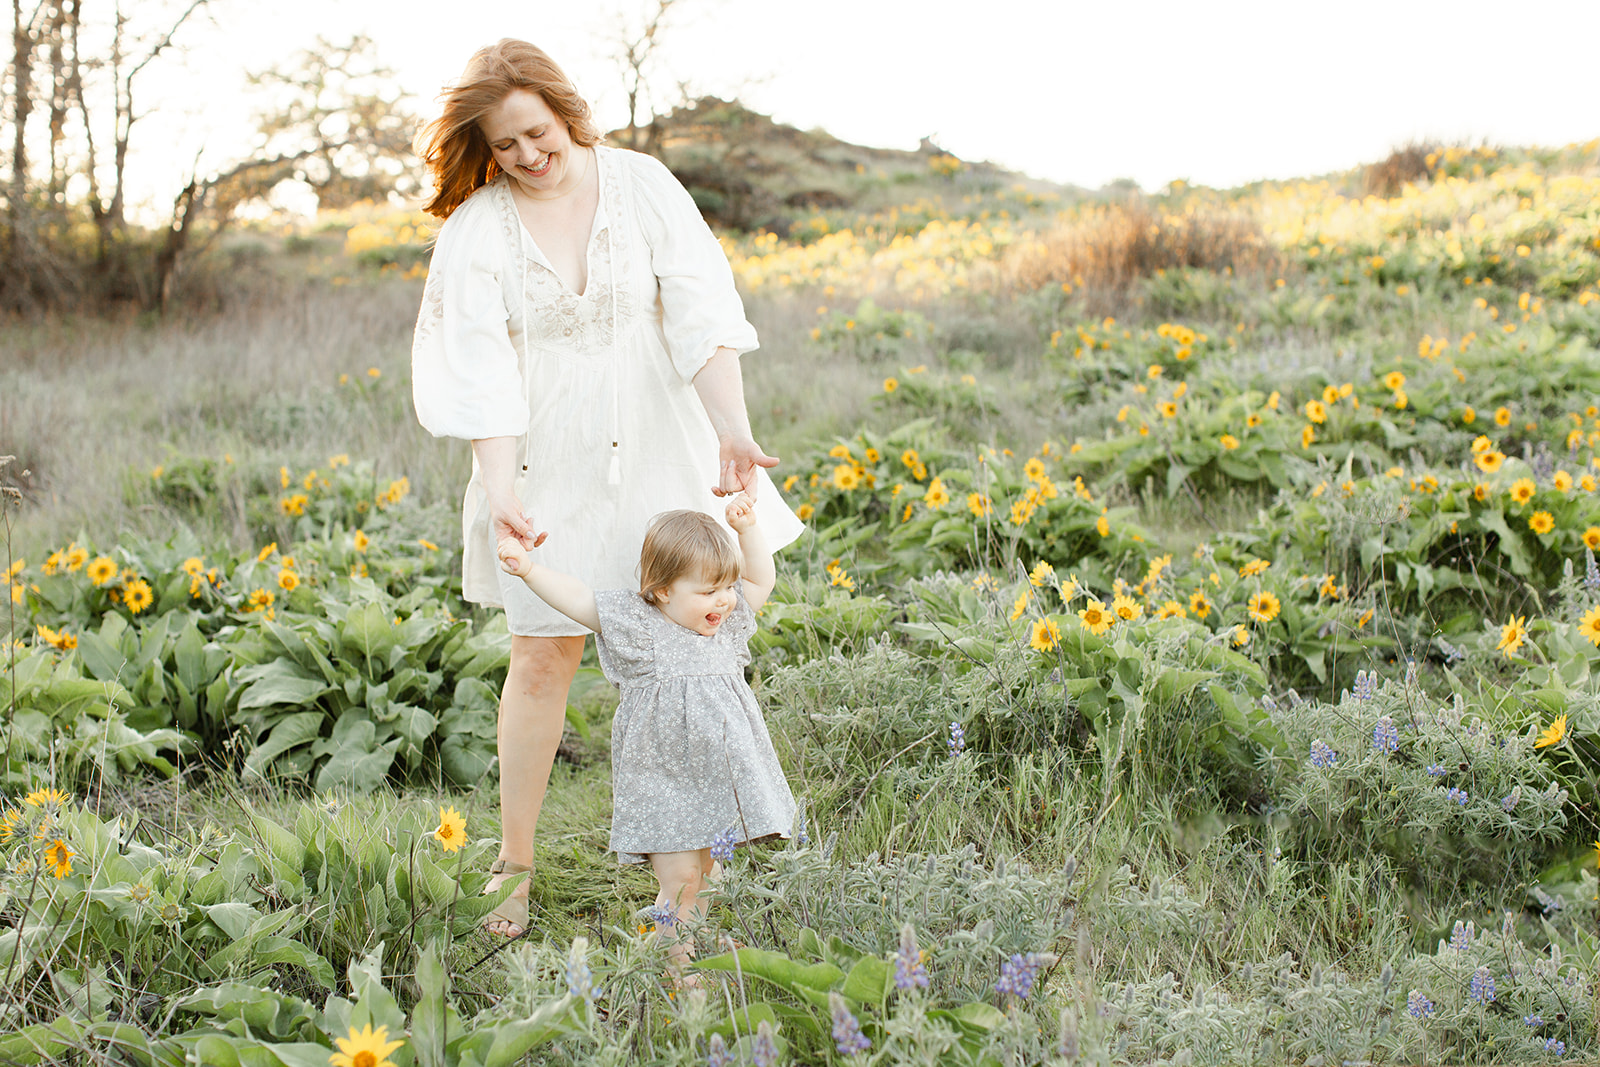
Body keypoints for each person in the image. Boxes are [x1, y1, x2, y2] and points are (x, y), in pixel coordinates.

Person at [411, 39, 803, 938]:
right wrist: (500, 485)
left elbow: (702, 318)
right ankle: (514, 866)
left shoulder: (642, 185)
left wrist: (734, 428)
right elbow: (480, 376)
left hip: (665, 444)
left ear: (564, 108)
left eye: (536, 132)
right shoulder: (478, 228)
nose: (525, 156)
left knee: (694, 655)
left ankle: (690, 871)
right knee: (542, 655)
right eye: (503, 145)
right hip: (545, 462)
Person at [496, 495, 796, 972]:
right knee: (680, 878)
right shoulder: (638, 628)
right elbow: (577, 599)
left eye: (725, 587)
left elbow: (761, 578)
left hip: (717, 780)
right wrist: (529, 570)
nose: (723, 599)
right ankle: (680, 967)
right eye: (707, 590)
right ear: (660, 592)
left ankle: (683, 934)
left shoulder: (726, 626)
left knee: (707, 873)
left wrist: (748, 529)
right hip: (663, 783)